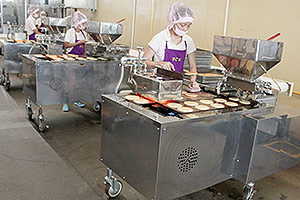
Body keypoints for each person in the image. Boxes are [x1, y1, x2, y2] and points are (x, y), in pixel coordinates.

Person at [143, 2, 200, 92]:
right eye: (182, 25)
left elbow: (193, 68)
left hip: (177, 87)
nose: (185, 29)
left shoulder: (188, 41)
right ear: (174, 22)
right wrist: (160, 64)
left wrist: (193, 81)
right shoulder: (160, 38)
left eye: (188, 26)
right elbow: (143, 62)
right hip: (158, 86)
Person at [62, 11, 88, 112]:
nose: (84, 26)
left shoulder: (84, 33)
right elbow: (66, 45)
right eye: (83, 23)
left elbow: (84, 47)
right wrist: (78, 43)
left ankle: (76, 100)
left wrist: (85, 56)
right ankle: (65, 102)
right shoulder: (70, 32)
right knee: (70, 83)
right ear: (77, 23)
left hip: (80, 60)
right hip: (70, 60)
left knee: (79, 82)